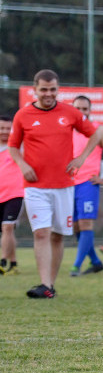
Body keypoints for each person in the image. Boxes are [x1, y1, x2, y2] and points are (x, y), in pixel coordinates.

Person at [8, 69, 99, 298]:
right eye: (44, 89)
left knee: (58, 235)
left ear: (58, 89)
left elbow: (95, 135)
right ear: (35, 89)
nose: (48, 94)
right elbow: (12, 146)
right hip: (35, 187)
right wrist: (22, 165)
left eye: (53, 89)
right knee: (42, 233)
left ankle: (51, 286)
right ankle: (45, 284)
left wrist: (81, 158)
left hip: (64, 186)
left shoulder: (70, 112)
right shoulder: (23, 115)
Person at [69, 96, 103, 276]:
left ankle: (76, 266)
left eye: (85, 109)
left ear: (90, 110)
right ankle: (96, 261)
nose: (82, 112)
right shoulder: (65, 130)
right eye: (78, 108)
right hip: (68, 184)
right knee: (75, 227)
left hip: (87, 183)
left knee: (85, 223)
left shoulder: (99, 131)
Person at [0, 115, 24, 275]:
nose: (4, 132)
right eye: (2, 128)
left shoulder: (19, 147)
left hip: (15, 193)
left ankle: (2, 261)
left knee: (7, 227)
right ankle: (13, 263)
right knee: (6, 231)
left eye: (8, 129)